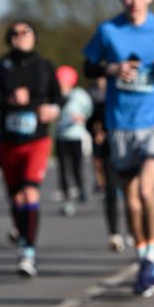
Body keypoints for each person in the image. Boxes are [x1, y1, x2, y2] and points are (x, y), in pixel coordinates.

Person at [83, 0, 154, 296]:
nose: (134, 1)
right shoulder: (108, 31)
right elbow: (88, 65)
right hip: (121, 123)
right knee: (130, 199)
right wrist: (111, 69)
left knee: (144, 191)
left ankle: (153, 258)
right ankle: (143, 257)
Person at [0, 21, 61, 277]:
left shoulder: (45, 66)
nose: (20, 37)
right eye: (15, 33)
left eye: (25, 32)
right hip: (8, 140)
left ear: (34, 37)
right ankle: (22, 238)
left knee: (30, 193)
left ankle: (28, 252)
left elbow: (58, 98)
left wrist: (52, 110)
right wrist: (7, 99)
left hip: (37, 139)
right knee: (16, 197)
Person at [87, 77, 126, 252]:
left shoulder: (129, 101)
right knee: (111, 192)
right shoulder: (102, 104)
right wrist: (97, 131)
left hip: (130, 151)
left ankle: (134, 229)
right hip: (110, 151)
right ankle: (114, 233)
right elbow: (91, 123)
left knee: (132, 194)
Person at [54, 66, 93, 216]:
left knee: (77, 166)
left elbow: (89, 110)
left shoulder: (79, 95)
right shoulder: (56, 95)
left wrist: (83, 118)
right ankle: (67, 199)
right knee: (63, 169)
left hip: (76, 136)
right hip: (61, 137)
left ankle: (82, 189)